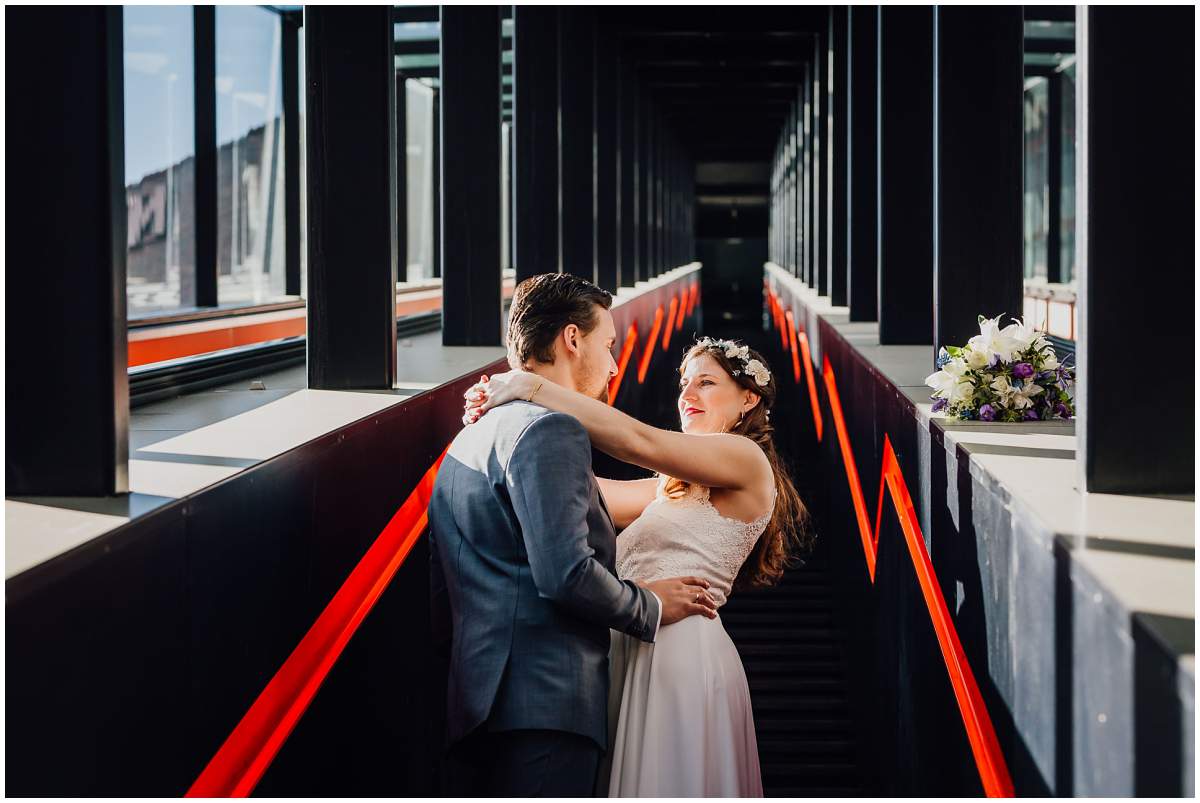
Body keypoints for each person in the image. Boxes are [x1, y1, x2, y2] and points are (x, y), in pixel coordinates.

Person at [464, 332, 810, 797]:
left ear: (748, 399)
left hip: (679, 649)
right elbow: (578, 488)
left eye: (706, 383)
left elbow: (637, 440)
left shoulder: (746, 458)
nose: (687, 394)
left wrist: (528, 386)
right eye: (684, 383)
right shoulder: (672, 486)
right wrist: (502, 420)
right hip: (636, 638)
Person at [427, 273, 720, 797]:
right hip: (547, 706)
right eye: (608, 345)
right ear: (570, 339)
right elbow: (566, 572)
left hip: (472, 703)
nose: (612, 366)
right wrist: (649, 605)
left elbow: (442, 591)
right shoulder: (550, 429)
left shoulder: (467, 440)